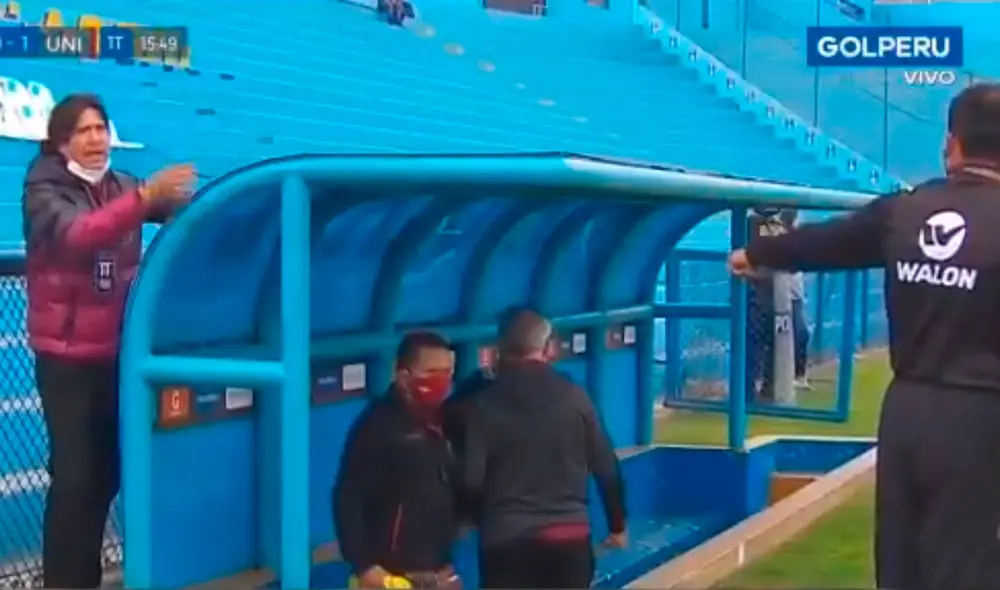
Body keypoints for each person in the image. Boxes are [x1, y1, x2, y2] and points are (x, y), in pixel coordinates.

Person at [727, 83, 1000, 589]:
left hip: (907, 409)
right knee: (967, 557)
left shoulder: (904, 210)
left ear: (950, 143)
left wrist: (759, 255)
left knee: (899, 553)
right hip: (982, 414)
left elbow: (829, 241)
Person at [23, 93, 195, 588]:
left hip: (118, 358)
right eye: (84, 131)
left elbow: (171, 211)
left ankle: (85, 577)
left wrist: (181, 202)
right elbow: (78, 236)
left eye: (101, 128)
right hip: (67, 361)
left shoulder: (119, 185)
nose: (97, 139)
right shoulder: (44, 189)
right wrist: (143, 199)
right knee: (76, 480)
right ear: (61, 142)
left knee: (108, 477)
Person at [461, 309, 627, 589]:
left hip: (506, 539)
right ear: (547, 347)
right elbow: (605, 466)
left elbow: (471, 477)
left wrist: (478, 519)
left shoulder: (482, 405)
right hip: (569, 537)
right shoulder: (575, 397)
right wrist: (617, 525)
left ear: (499, 347)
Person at [333, 331, 462, 590]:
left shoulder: (445, 420)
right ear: (403, 375)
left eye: (448, 371)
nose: (443, 380)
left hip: (439, 571)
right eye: (433, 371)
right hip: (390, 575)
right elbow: (348, 497)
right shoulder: (377, 425)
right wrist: (365, 567)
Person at [778, 209, 812, 389]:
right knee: (789, 334)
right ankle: (785, 376)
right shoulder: (778, 236)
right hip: (782, 298)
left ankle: (799, 375)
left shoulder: (797, 237)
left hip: (795, 296)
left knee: (801, 335)